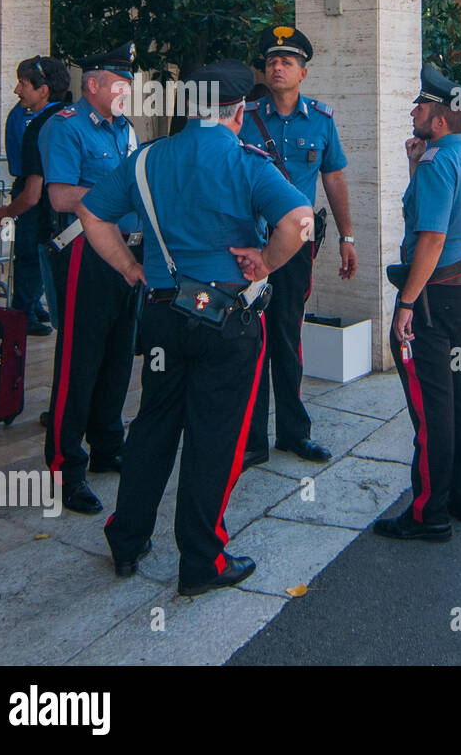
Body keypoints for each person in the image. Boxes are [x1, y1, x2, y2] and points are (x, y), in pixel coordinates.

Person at [77, 60, 310, 594]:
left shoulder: (147, 159)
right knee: (214, 437)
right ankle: (203, 559)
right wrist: (266, 263)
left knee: (154, 423)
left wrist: (131, 268)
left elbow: (92, 214)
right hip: (226, 319)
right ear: (238, 110)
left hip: (161, 313)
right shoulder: (246, 160)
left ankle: (127, 538)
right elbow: (298, 221)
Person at [374, 64, 461, 542]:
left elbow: (431, 237)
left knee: (432, 406)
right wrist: (412, 165)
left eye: (421, 106)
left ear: (440, 119)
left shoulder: (437, 163)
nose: (414, 111)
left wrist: (406, 303)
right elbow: (453, 221)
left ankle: (429, 514)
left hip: (432, 299)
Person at [239, 26, 357, 467]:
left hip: (296, 247)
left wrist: (347, 236)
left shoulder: (322, 120)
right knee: (250, 335)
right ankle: (251, 438)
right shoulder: (246, 116)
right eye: (271, 61)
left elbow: (334, 179)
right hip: (251, 242)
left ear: (303, 73)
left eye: (286, 62)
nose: (277, 67)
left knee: (286, 335)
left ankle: (292, 432)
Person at [38, 42, 142, 515]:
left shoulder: (127, 130)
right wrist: (121, 198)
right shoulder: (66, 128)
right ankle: (65, 467)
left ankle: (106, 444)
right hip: (83, 252)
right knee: (79, 362)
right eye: (120, 82)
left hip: (124, 253)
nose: (128, 90)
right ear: (93, 84)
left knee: (119, 355)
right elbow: (59, 197)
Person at [0, 57, 73, 336]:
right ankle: (32, 304)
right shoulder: (71, 117)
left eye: (23, 83)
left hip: (37, 200)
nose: (17, 91)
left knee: (30, 254)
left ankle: (23, 310)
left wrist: (1, 213)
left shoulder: (39, 126)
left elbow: (29, 187)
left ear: (43, 89)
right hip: (59, 205)